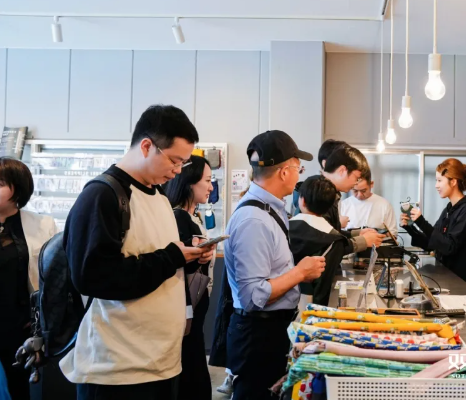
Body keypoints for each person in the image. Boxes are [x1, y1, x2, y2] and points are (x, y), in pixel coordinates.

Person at [60, 105, 216, 400]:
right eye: (175, 160)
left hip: (160, 363)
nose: (178, 171)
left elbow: (156, 261)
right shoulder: (102, 195)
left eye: (183, 163)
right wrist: (171, 258)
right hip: (117, 370)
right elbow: (92, 276)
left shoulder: (158, 196)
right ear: (146, 146)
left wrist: (189, 258)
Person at [220, 130, 326, 400]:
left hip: (270, 331)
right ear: (284, 172)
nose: (299, 175)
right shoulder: (253, 220)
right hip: (258, 335)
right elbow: (253, 296)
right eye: (298, 168)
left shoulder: (270, 210)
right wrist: (300, 272)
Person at [0, 158, 57, 400]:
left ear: (19, 188)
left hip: (20, 326)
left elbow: (54, 278)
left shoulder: (43, 225)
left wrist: (41, 319)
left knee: (20, 389)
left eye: (0, 183)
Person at [162, 155, 216, 400]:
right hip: (184, 310)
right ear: (189, 182)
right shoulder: (178, 217)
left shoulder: (192, 216)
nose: (211, 187)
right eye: (207, 180)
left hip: (193, 309)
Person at [401, 158, 466, 292]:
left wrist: (421, 221)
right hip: (449, 278)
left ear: (453, 182)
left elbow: (449, 246)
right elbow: (432, 242)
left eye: (439, 180)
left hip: (464, 283)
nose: (436, 185)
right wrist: (409, 227)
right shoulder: (449, 210)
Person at [289, 175, 351, 308]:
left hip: (280, 303)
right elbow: (323, 287)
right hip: (310, 307)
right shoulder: (335, 240)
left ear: (302, 201)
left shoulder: (283, 228)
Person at [321, 144, 385, 251]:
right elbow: (327, 243)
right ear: (342, 171)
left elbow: (333, 233)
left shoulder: (331, 193)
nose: (356, 183)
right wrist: (363, 241)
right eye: (356, 178)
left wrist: (357, 233)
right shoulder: (320, 193)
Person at [290, 139, 346, 218]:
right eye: (343, 167)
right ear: (325, 164)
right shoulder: (315, 193)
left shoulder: (333, 193)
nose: (346, 172)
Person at [340, 167, 398, 237]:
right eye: (355, 191)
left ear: (371, 184)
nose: (359, 195)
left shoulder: (384, 204)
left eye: (363, 191)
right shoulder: (344, 205)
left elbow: (393, 234)